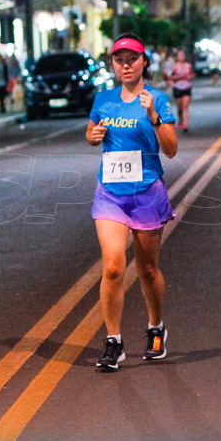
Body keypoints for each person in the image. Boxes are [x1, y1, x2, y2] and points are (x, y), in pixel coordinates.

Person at [86, 33, 178, 371]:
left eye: (132, 59)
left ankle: (156, 327)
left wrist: (153, 116)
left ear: (144, 63)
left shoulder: (158, 99)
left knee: (148, 269)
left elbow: (170, 149)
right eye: (119, 59)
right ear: (112, 64)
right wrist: (93, 136)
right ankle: (114, 341)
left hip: (146, 192)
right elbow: (92, 132)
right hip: (110, 191)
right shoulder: (104, 99)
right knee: (112, 267)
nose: (125, 65)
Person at [169, 49, 193, 133]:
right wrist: (180, 77)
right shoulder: (175, 66)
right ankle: (180, 118)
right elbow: (171, 77)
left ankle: (186, 125)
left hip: (187, 87)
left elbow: (192, 74)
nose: (181, 57)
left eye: (182, 55)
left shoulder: (188, 65)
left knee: (185, 106)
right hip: (178, 88)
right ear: (177, 57)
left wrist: (190, 76)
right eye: (179, 55)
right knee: (180, 108)